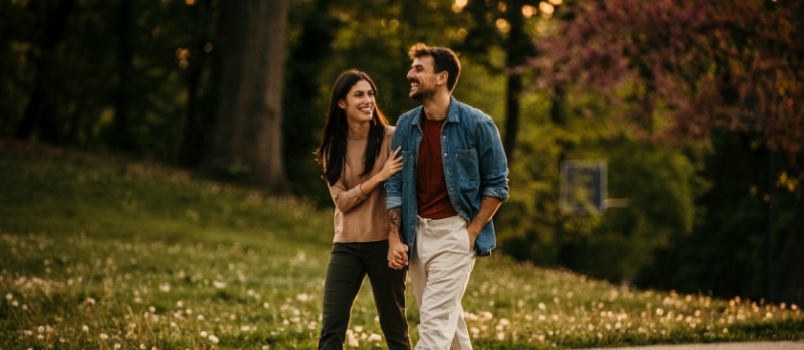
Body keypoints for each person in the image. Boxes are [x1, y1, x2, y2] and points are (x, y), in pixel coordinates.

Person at [385, 43, 509, 349]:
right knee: (448, 322)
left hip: (455, 233)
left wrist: (471, 233)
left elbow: (498, 185)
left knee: (434, 322)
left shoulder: (478, 124)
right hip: (416, 235)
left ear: (441, 77)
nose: (409, 74)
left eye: (418, 69)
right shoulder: (406, 125)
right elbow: (394, 185)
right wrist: (394, 237)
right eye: (412, 67)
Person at [315, 69, 411, 350]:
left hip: (384, 244)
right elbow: (342, 202)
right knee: (331, 327)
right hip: (346, 246)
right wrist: (379, 177)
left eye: (370, 94)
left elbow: (404, 191)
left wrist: (398, 239)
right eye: (359, 94)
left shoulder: (393, 138)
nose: (367, 100)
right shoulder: (332, 148)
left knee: (395, 329)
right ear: (342, 103)